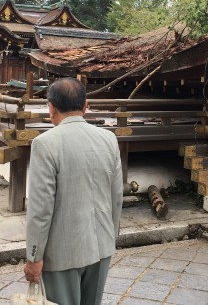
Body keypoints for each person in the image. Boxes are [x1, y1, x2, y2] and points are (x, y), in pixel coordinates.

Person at [24, 77, 123, 305]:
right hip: (101, 245)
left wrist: (34, 256)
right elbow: (116, 196)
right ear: (85, 105)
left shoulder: (45, 144)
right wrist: (111, 237)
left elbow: (41, 209)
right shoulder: (109, 139)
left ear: (51, 107)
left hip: (62, 252)